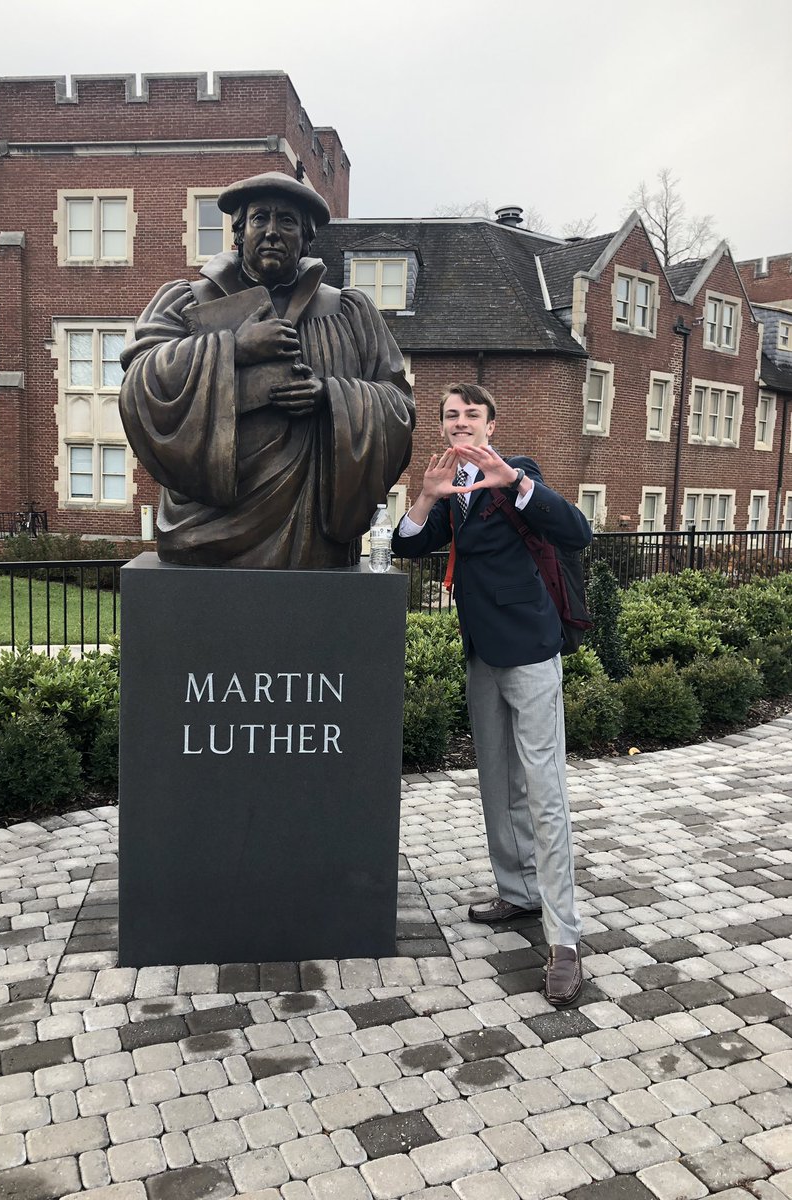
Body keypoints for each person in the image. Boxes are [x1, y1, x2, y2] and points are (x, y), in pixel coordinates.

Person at [392, 383, 593, 1006]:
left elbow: (576, 531)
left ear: (490, 421)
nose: (458, 423)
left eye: (469, 415)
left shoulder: (516, 474)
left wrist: (513, 482)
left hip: (530, 649)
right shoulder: (450, 489)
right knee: (496, 778)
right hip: (482, 650)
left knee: (544, 790)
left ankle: (564, 940)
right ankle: (518, 891)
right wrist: (424, 498)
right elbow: (405, 546)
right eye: (450, 416)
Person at [119, 172, 415, 569]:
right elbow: (140, 385)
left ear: (307, 237)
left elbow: (398, 405)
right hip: (205, 530)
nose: (272, 232)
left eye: (287, 221)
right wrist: (233, 348)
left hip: (313, 529)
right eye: (260, 219)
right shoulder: (186, 302)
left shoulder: (348, 312)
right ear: (239, 233)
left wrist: (329, 396)